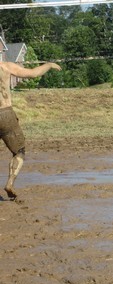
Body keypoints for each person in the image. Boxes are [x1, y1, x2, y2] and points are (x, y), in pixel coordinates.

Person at [0, 61, 62, 200]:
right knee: (19, 151)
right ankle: (10, 183)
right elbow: (33, 73)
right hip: (6, 114)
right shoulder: (5, 67)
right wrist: (49, 65)